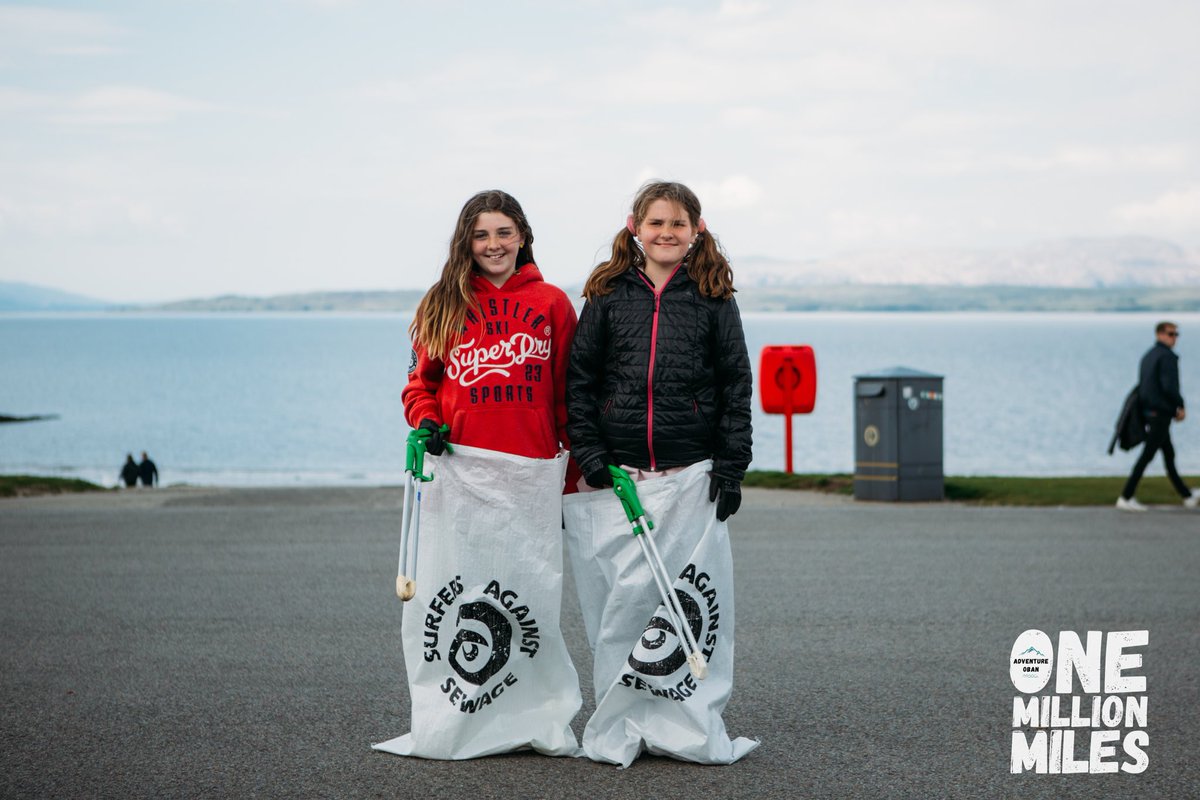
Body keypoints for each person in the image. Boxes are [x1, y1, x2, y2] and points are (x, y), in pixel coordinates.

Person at [566, 180, 752, 511]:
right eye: (656, 223)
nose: (666, 232)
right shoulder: (607, 293)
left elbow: (736, 385)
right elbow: (580, 380)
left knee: (683, 566)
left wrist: (730, 469)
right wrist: (590, 452)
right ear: (635, 227)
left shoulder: (714, 296)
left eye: (678, 224)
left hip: (692, 469)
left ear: (697, 229)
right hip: (617, 470)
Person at [402, 189, 579, 481]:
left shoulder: (553, 303)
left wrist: (578, 463)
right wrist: (427, 420)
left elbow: (569, 395)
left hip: (536, 466)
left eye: (504, 233)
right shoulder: (442, 304)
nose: (493, 245)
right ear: (466, 243)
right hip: (460, 467)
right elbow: (419, 387)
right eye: (481, 235)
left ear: (522, 237)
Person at [1117, 321, 1198, 511]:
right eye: (1171, 334)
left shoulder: (1148, 356)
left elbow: (1145, 387)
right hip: (1159, 413)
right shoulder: (1166, 357)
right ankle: (1126, 496)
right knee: (1147, 456)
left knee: (1168, 454)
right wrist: (1180, 406)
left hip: (1150, 411)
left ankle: (1186, 495)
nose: (1174, 338)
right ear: (1160, 334)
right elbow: (1169, 386)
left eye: (1176, 334)